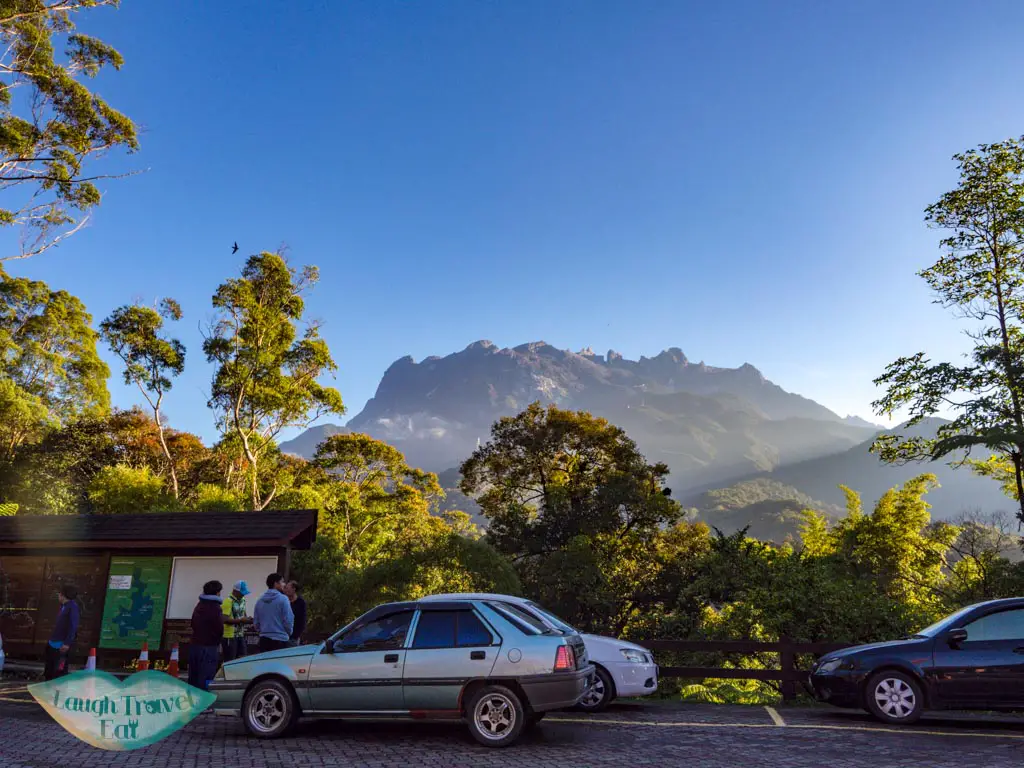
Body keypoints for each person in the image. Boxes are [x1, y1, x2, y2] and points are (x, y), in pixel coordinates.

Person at [188, 580, 225, 691]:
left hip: (195, 645)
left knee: (194, 675)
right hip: (209, 647)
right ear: (217, 592)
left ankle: (191, 701)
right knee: (207, 676)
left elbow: (193, 623)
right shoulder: (215, 607)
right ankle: (204, 703)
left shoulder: (199, 605)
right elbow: (219, 628)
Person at [45, 585, 79, 680]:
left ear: (63, 595)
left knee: (58, 670)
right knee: (50, 668)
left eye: (59, 594)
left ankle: (55, 690)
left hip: (61, 644)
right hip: (54, 642)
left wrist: (67, 643)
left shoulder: (72, 607)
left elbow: (73, 626)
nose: (58, 596)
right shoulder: (64, 606)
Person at [253, 573, 293, 653]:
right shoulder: (283, 599)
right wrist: (289, 632)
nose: (284, 585)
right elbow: (288, 620)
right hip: (280, 639)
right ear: (275, 583)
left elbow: (256, 622)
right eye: (282, 582)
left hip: (264, 640)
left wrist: (262, 631)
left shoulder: (260, 601)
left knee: (265, 664)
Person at [221, 580, 252, 662]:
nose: (243, 594)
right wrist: (240, 620)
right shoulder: (227, 601)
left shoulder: (243, 600)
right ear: (235, 591)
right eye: (242, 592)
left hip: (240, 634)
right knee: (230, 661)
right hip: (229, 636)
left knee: (242, 658)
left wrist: (248, 619)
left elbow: (243, 614)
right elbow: (224, 619)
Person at [283, 580, 307, 646]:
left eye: (287, 588)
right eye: (285, 588)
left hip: (293, 637)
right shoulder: (283, 601)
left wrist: (296, 636)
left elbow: (302, 621)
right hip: (282, 636)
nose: (286, 590)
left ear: (294, 589)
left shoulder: (301, 602)